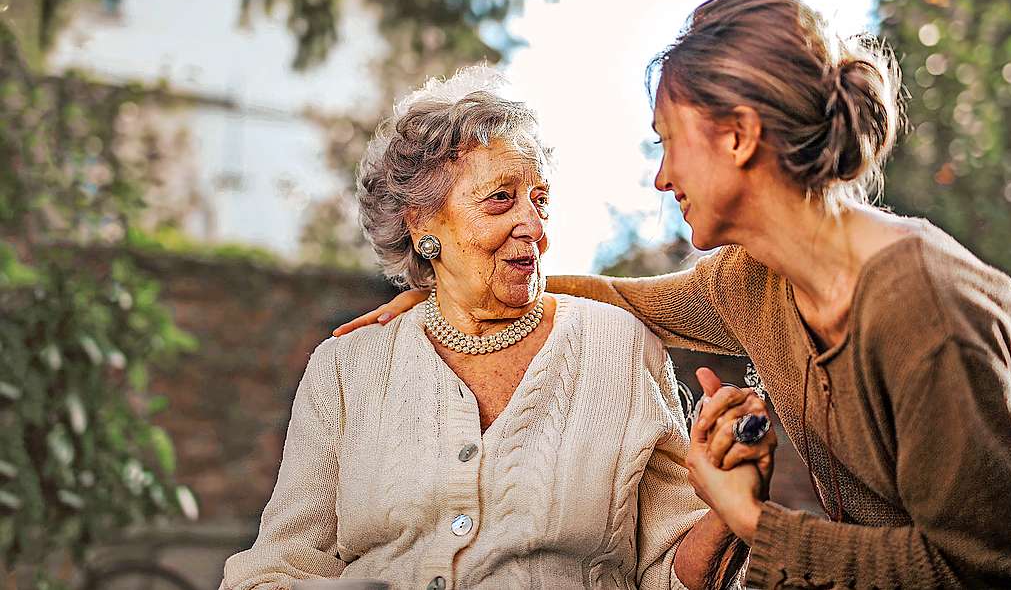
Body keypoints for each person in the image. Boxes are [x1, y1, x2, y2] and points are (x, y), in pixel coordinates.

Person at [333, 0, 1011, 588]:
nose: (662, 178)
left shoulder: (921, 305)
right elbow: (624, 298)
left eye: (668, 141)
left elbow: (984, 567)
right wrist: (455, 292)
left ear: (739, 136)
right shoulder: (753, 279)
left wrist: (752, 519)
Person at [221, 67, 776, 590]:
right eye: (500, 200)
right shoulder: (348, 368)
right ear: (421, 222)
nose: (533, 227)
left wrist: (729, 511)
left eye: (541, 201)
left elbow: (669, 573)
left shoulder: (619, 347)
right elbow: (278, 565)